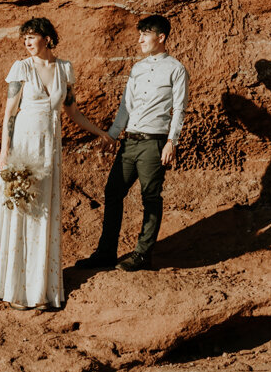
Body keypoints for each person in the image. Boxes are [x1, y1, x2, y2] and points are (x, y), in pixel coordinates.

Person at [0, 17, 115, 310]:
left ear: (48, 38)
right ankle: (16, 290)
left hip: (49, 148)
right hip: (24, 144)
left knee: (43, 211)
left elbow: (72, 112)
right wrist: (5, 155)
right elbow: (9, 115)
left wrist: (100, 131)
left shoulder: (65, 69)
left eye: (32, 36)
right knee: (22, 209)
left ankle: (40, 289)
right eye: (24, 37)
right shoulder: (21, 68)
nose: (27, 42)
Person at [78, 14, 188, 272]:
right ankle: (106, 253)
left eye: (145, 34)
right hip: (130, 142)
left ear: (161, 37)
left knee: (150, 197)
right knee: (113, 192)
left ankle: (142, 254)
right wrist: (113, 135)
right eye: (139, 34)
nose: (139, 39)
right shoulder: (137, 68)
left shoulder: (176, 68)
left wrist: (172, 142)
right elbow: (125, 106)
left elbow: (179, 109)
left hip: (154, 143)